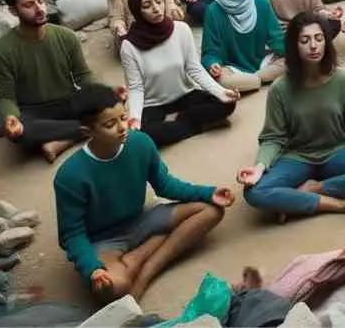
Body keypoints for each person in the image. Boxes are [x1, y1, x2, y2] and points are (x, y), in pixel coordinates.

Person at [54, 83, 234, 302]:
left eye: (123, 117)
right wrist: (92, 269)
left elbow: (165, 185)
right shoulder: (70, 176)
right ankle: (153, 248)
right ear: (87, 132)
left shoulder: (140, 143)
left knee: (211, 210)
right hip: (104, 241)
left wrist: (209, 192)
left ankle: (144, 270)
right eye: (110, 124)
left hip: (141, 220)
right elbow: (71, 235)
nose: (122, 127)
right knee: (114, 288)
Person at [238, 13, 345, 220]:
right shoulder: (280, 88)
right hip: (297, 156)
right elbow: (273, 137)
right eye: (305, 40)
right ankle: (341, 205)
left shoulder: (343, 80)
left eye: (319, 39)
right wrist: (259, 169)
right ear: (294, 46)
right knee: (254, 192)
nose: (313, 46)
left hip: (337, 150)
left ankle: (309, 192)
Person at [121, 0, 240, 147]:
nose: (156, 8)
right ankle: (194, 125)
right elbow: (135, 87)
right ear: (137, 11)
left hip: (184, 95)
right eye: (147, 5)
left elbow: (194, 68)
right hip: (154, 104)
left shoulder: (181, 30)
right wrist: (134, 118)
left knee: (227, 104)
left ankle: (185, 120)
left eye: (158, 0)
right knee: (143, 135)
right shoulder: (129, 46)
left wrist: (220, 92)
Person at [0, 0, 95, 162]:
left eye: (40, 1)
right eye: (29, 5)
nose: (39, 9)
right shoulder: (1, 51)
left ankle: (62, 141)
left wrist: (102, 93)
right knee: (21, 132)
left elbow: (83, 75)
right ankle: (91, 129)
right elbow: (5, 96)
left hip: (68, 103)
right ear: (13, 11)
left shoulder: (66, 36)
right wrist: (10, 117)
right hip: (34, 112)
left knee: (109, 103)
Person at [201, 0, 287, 93]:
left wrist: (293, 51)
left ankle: (252, 80)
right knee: (222, 79)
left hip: (263, 63)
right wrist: (213, 64)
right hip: (232, 68)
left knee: (290, 61)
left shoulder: (260, 1)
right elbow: (210, 51)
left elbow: (276, 37)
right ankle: (256, 80)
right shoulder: (213, 11)